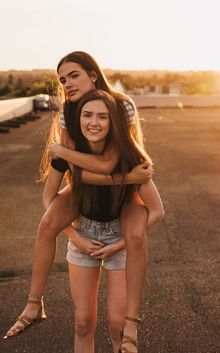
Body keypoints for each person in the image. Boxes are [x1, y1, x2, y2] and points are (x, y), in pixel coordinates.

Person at [4, 51, 164, 353]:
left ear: (92, 73)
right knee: (49, 222)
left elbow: (107, 164)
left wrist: (127, 178)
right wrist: (75, 233)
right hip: (85, 206)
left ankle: (132, 323)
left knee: (117, 325)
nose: (67, 83)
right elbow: (75, 177)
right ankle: (34, 303)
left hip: (122, 204)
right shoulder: (68, 112)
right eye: (62, 79)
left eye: (73, 75)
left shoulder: (121, 106)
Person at [45, 89, 164, 353]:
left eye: (103, 117)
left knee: (118, 327)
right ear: (78, 121)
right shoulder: (69, 155)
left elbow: (156, 211)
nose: (94, 122)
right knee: (83, 323)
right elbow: (49, 205)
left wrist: (119, 244)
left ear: (113, 123)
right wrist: (76, 238)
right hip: (82, 236)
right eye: (87, 115)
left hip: (118, 239)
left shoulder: (128, 158)